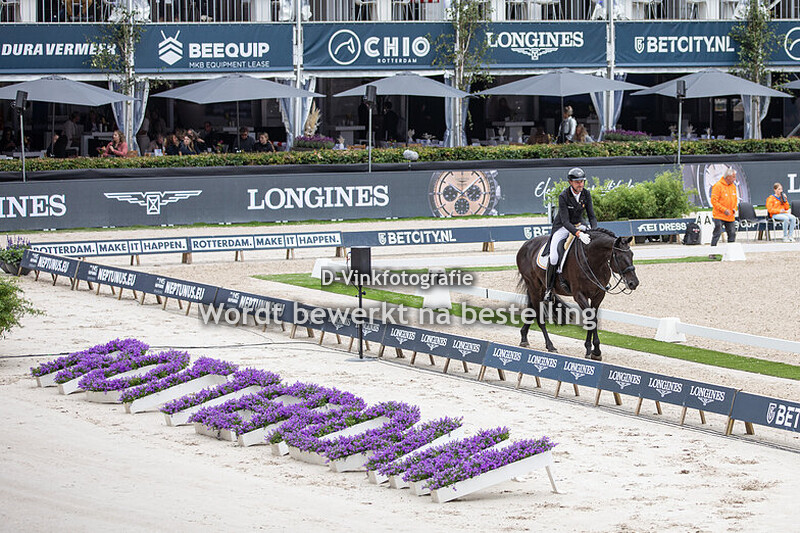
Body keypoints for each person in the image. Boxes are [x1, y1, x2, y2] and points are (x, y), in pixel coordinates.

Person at [544, 167, 598, 301]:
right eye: (577, 182)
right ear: (570, 182)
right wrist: (578, 234)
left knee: (595, 248)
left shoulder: (586, 194)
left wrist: (594, 230)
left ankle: (598, 280)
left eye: (582, 181)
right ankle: (549, 289)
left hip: (580, 225)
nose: (580, 184)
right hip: (562, 227)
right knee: (554, 257)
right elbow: (565, 221)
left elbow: (592, 216)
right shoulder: (563, 196)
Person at [710, 167, 738, 246]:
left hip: (730, 216)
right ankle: (712, 252)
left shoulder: (733, 187)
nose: (735, 179)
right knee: (717, 233)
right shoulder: (717, 186)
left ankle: (730, 252)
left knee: (732, 233)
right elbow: (714, 201)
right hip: (719, 215)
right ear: (728, 177)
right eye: (733, 177)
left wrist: (734, 209)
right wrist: (724, 210)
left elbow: (735, 200)